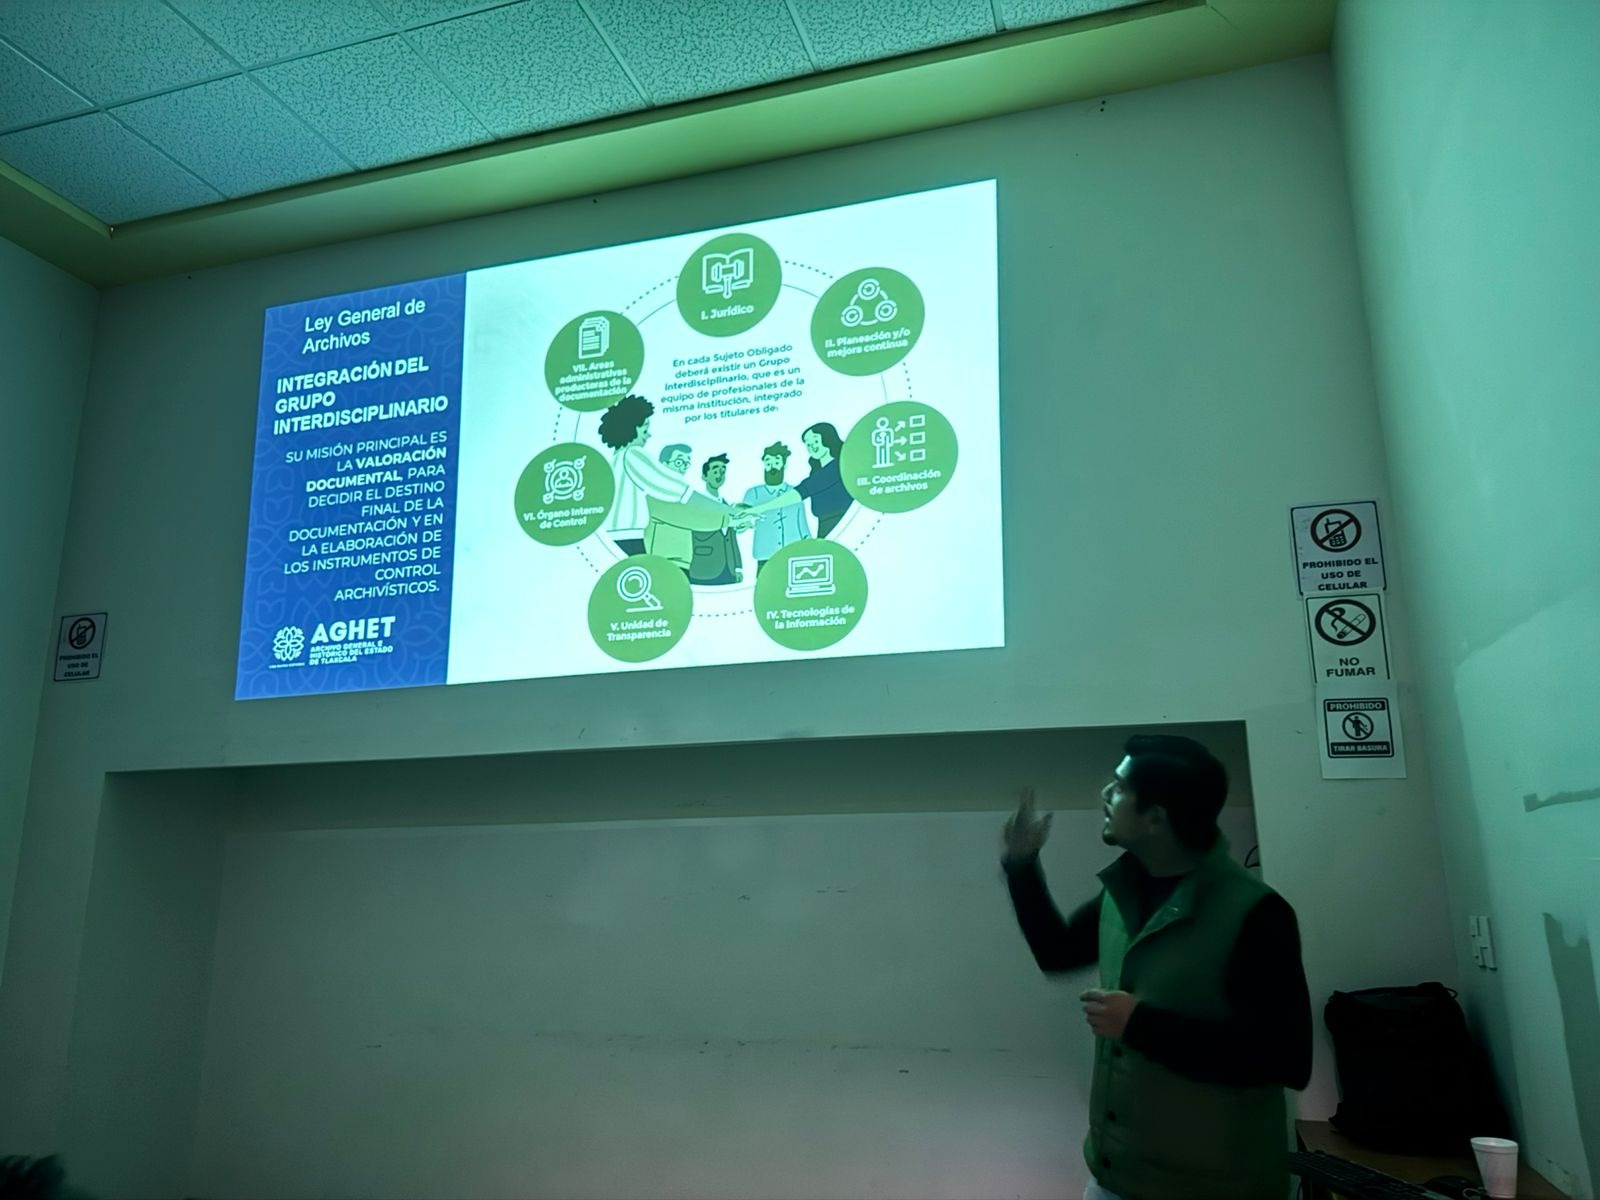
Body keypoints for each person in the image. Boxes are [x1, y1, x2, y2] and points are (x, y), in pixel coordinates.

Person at [1000, 735, 1312, 1200]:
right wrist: (1022, 865)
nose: (1105, 794)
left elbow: (1286, 1059)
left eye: (1120, 787)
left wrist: (1140, 1024)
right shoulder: (1124, 891)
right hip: (1115, 1175)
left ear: (1155, 818)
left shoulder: (1256, 914)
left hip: (1216, 1188)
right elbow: (1057, 951)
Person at [598, 394, 692, 556]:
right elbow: (674, 489)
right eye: (645, 429)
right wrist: (725, 512)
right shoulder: (632, 455)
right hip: (629, 539)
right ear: (630, 428)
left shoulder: (614, 461)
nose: (648, 435)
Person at [743, 422, 853, 538]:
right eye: (808, 444)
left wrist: (759, 509)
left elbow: (802, 491)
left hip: (842, 523)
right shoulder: (816, 471)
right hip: (824, 525)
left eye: (816, 441)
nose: (812, 447)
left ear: (828, 438)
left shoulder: (837, 467)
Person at [740, 442, 810, 575]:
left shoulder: (794, 493)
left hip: (793, 554)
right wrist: (741, 523)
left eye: (777, 462)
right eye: (768, 462)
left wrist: (809, 548)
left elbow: (802, 526)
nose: (772, 467)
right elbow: (741, 520)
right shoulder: (753, 493)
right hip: (765, 555)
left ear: (784, 464)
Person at [689, 453, 743, 585]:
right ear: (704, 476)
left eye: (723, 470)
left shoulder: (726, 505)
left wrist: (737, 567)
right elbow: (698, 531)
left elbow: (731, 539)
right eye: (715, 470)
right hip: (705, 567)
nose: (719, 474)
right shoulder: (697, 503)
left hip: (728, 569)